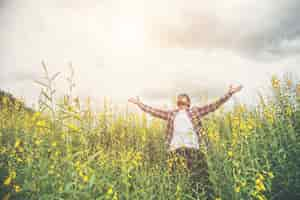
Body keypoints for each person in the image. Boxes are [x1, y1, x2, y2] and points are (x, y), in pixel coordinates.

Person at [128, 85, 243, 199]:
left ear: (188, 103)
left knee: (200, 181)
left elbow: (214, 105)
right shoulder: (172, 114)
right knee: (176, 182)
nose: (181, 102)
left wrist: (229, 93)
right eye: (179, 100)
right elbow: (153, 111)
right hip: (175, 151)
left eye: (184, 100)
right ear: (177, 104)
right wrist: (139, 104)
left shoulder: (195, 112)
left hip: (194, 151)